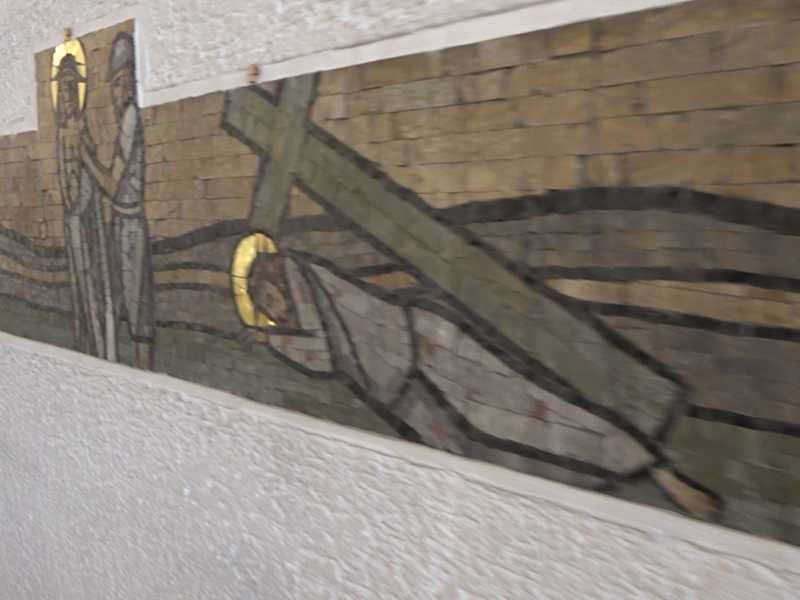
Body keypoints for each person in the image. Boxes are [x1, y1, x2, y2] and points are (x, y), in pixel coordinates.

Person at [240, 247, 721, 520]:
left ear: (282, 285)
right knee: (485, 460)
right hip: (411, 397)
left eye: (270, 300)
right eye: (266, 308)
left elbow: (326, 353)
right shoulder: (304, 313)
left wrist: (272, 339)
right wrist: (276, 336)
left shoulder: (313, 287)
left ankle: (654, 468)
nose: (273, 313)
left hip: (431, 350)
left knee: (533, 409)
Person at [82, 32, 155, 370]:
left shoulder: (130, 118)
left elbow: (112, 185)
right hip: (120, 223)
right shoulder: (127, 119)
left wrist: (85, 157)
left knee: (138, 310)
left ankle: (142, 372)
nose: (120, 91)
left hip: (130, 226)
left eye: (126, 82)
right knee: (120, 300)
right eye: (116, 84)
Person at [55, 51, 116, 360]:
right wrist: (69, 205)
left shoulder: (81, 128)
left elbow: (89, 171)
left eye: (71, 89)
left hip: (85, 217)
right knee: (76, 282)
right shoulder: (61, 132)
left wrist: (80, 204)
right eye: (63, 89)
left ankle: (98, 343)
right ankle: (82, 342)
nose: (67, 96)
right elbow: (61, 171)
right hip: (72, 218)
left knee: (90, 279)